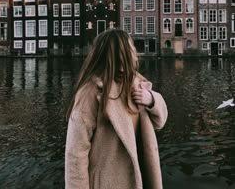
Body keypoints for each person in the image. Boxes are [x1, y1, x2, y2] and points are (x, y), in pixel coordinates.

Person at [65, 28, 168, 189]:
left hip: (140, 176)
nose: (135, 52)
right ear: (119, 53)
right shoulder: (90, 93)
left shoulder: (136, 84)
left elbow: (160, 122)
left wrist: (152, 100)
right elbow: (75, 155)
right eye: (131, 48)